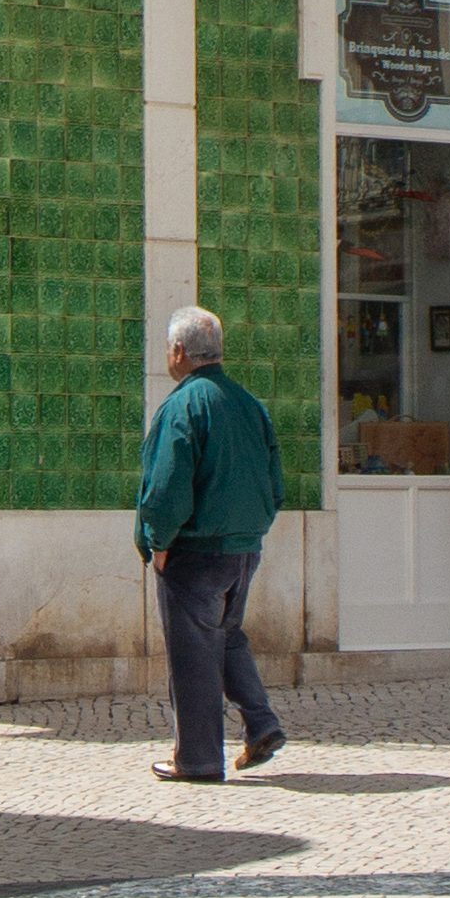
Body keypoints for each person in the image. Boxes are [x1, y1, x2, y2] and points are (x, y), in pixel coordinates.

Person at [135, 305, 286, 783]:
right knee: (224, 634)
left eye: (167, 347)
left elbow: (166, 486)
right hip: (244, 548)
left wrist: (157, 542)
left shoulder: (183, 406)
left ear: (179, 351)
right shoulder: (250, 404)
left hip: (196, 550)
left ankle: (196, 759)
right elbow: (275, 481)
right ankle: (260, 723)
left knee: (193, 651)